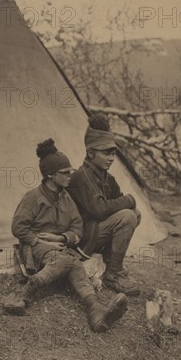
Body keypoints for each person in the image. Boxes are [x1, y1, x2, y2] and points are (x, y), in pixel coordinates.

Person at [3, 138, 128, 333]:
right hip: (34, 249)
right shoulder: (33, 197)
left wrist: (61, 239)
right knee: (67, 261)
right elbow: (18, 227)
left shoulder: (66, 198)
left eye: (70, 170)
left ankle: (96, 311)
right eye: (65, 172)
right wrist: (38, 240)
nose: (70, 174)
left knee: (73, 263)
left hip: (59, 249)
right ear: (51, 175)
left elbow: (77, 228)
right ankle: (22, 293)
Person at [66, 114, 141, 295]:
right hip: (82, 238)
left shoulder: (107, 177)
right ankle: (113, 274)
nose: (111, 158)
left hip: (96, 232)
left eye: (113, 153)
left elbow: (118, 205)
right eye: (106, 153)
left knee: (135, 214)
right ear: (91, 153)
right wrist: (129, 199)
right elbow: (100, 210)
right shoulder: (82, 176)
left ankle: (110, 263)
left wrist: (127, 203)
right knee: (128, 216)